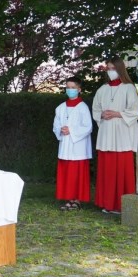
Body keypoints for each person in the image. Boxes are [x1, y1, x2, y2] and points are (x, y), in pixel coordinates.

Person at [91, 57, 138, 214]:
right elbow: (95, 109)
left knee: (121, 170)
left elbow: (135, 111)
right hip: (106, 134)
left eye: (113, 68)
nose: (110, 71)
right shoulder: (102, 89)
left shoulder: (129, 88)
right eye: (108, 69)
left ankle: (121, 205)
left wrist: (117, 113)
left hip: (122, 134)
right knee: (107, 171)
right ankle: (107, 203)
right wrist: (102, 114)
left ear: (120, 69)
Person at [52, 76, 93, 211]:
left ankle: (77, 200)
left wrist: (72, 130)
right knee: (67, 173)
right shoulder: (60, 108)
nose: (70, 90)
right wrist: (61, 130)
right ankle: (69, 198)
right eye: (68, 87)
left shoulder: (83, 107)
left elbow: (88, 127)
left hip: (78, 147)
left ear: (79, 89)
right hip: (65, 145)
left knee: (77, 174)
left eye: (73, 88)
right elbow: (56, 124)